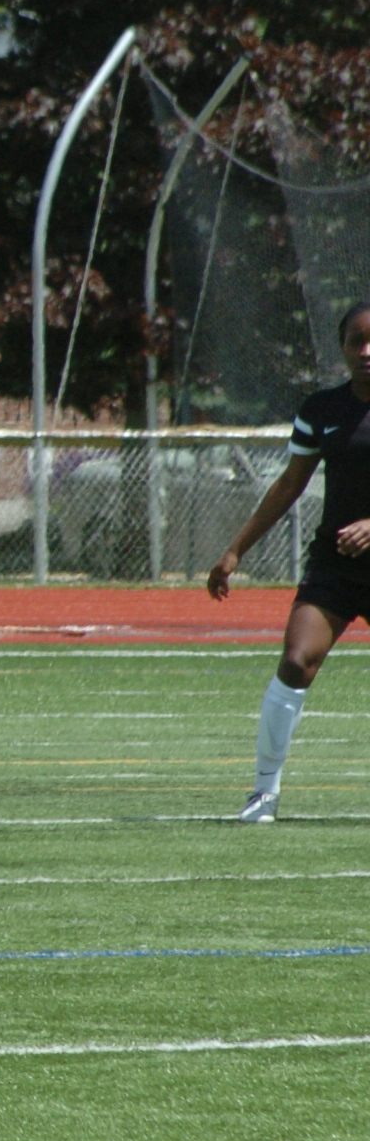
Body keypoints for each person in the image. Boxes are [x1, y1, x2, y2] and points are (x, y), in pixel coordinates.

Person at [207, 299, 370, 823]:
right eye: (357, 341)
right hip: (335, 566)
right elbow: (289, 484)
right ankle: (264, 792)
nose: (367, 351)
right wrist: (236, 549)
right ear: (342, 349)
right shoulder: (321, 409)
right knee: (297, 661)